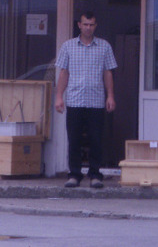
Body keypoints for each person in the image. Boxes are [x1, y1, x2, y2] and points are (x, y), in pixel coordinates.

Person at [55, 12, 117, 189]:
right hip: (74, 100)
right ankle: (74, 174)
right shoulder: (68, 46)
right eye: (85, 24)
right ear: (79, 25)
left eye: (91, 24)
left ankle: (95, 175)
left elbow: (108, 73)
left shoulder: (104, 46)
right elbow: (63, 73)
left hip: (96, 101)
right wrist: (59, 96)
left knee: (96, 139)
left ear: (95, 26)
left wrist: (110, 96)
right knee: (74, 139)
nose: (88, 27)